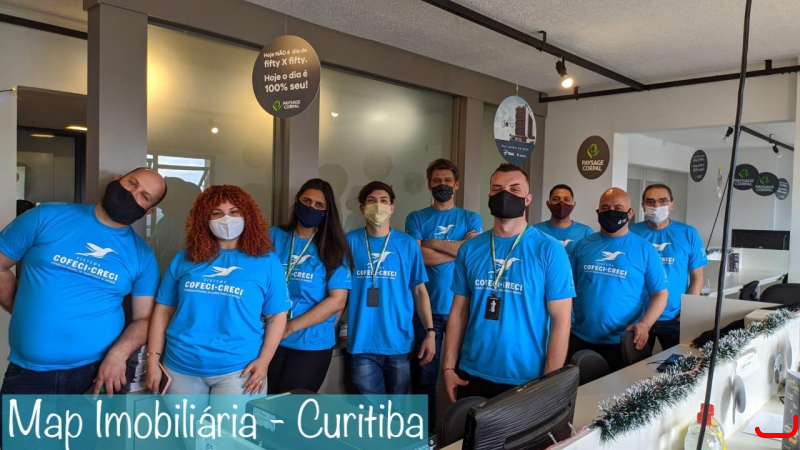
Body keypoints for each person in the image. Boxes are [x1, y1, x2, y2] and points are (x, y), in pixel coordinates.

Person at [0, 168, 166, 399]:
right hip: (28, 375)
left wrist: (119, 354)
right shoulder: (46, 216)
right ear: (118, 179)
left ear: (148, 212)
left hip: (96, 375)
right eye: (132, 183)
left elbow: (145, 320)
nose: (132, 194)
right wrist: (22, 308)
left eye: (144, 196)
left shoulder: (143, 257)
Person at [145, 185, 289, 406]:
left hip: (239, 369)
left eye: (234, 212)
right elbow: (163, 310)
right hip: (181, 365)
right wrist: (153, 359)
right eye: (217, 213)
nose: (226, 219)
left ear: (247, 216)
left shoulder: (267, 261)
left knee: (229, 431)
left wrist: (264, 361)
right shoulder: (184, 258)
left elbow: (276, 316)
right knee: (188, 430)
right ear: (205, 218)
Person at [443, 164, 575, 402]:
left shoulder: (550, 250)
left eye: (515, 189)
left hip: (527, 378)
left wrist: (549, 383)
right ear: (489, 196)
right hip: (472, 372)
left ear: (528, 199)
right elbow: (459, 312)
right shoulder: (470, 249)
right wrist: (448, 367)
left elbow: (561, 320)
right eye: (497, 189)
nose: (505, 194)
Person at [405, 159, 481, 429]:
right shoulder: (416, 217)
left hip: (461, 310)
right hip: (426, 312)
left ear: (456, 184)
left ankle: (461, 434)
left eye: (448, 180)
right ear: (429, 185)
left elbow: (472, 255)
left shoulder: (471, 217)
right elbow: (416, 258)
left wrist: (433, 243)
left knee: (462, 376)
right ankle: (424, 436)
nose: (442, 185)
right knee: (423, 379)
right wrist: (458, 249)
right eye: (437, 181)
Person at [346, 181, 436, 395]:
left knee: (397, 411)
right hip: (361, 343)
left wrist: (430, 332)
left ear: (392, 208)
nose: (378, 205)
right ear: (362, 208)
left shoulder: (407, 244)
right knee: (371, 412)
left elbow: (419, 291)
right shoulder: (349, 242)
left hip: (398, 343)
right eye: (372, 201)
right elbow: (339, 291)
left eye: (384, 201)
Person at [267, 179, 353, 394]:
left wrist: (289, 328)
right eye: (306, 201)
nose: (311, 207)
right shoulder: (275, 236)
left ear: (326, 212)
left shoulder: (333, 248)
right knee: (260, 405)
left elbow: (337, 301)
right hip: (268, 337)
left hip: (310, 343)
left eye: (319, 205)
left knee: (291, 408)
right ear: (297, 201)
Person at [568, 188, 668, 371]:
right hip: (580, 338)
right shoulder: (583, 246)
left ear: (630, 213)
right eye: (605, 208)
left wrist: (645, 324)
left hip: (623, 341)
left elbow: (660, 293)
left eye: (618, 208)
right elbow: (568, 288)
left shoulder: (645, 250)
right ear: (598, 212)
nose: (611, 211)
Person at [630, 184, 708, 351]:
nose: (656, 206)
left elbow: (697, 277)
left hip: (674, 317)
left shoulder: (688, 233)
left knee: (677, 362)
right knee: (634, 363)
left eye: (663, 201)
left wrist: (686, 313)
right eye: (650, 201)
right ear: (643, 205)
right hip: (638, 316)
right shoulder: (631, 233)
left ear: (672, 204)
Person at [533, 184, 594, 254]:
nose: (561, 203)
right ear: (548, 204)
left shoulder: (585, 232)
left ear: (573, 205)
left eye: (566, 199)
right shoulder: (535, 231)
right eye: (556, 199)